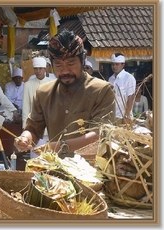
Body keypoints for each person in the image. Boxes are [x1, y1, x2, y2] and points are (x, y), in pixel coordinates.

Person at [13, 29, 115, 158]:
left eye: (71, 63)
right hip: (56, 172)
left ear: (82, 60)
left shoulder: (102, 90)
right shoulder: (44, 93)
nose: (65, 70)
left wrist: (58, 146)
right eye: (59, 65)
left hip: (92, 172)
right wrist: (25, 138)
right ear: (51, 65)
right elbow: (34, 128)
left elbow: (100, 134)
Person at [22, 57, 54, 158]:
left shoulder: (53, 83)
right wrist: (25, 128)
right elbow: (26, 107)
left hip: (50, 127)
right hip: (34, 127)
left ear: (45, 69)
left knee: (50, 158)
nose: (38, 71)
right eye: (36, 68)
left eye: (40, 68)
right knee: (35, 158)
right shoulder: (28, 85)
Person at [108, 53, 136, 124]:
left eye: (117, 64)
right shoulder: (110, 79)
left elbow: (131, 97)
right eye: (113, 64)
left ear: (123, 65)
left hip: (123, 116)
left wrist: (127, 115)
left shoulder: (129, 78)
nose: (114, 66)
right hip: (112, 115)